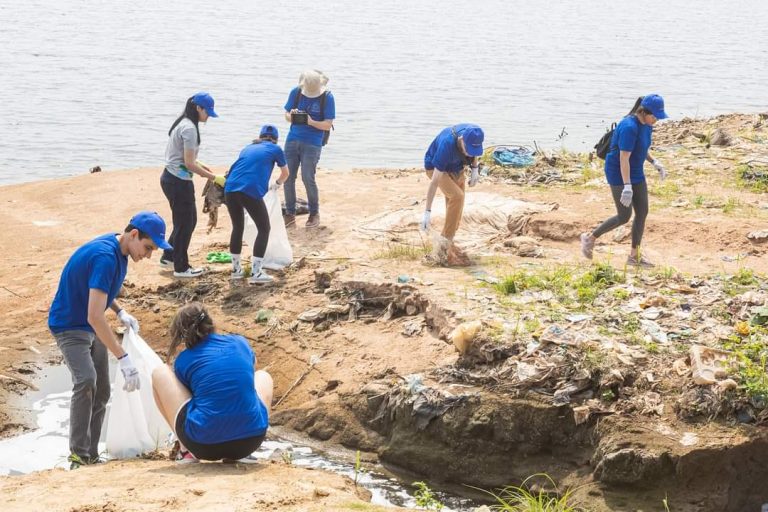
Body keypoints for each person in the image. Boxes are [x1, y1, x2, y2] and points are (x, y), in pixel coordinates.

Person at [48, 211, 172, 469]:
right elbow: (94, 317)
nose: (148, 255)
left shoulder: (119, 250)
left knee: (102, 389)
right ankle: (79, 456)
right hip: (70, 325)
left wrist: (119, 311)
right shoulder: (105, 256)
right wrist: (123, 357)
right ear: (134, 234)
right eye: (148, 248)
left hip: (88, 324)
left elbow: (99, 288)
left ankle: (91, 453)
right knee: (86, 381)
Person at [152, 302, 273, 463]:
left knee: (160, 372)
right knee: (263, 375)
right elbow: (250, 369)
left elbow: (186, 394)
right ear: (211, 323)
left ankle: (185, 451)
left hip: (203, 445)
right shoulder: (240, 342)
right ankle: (245, 449)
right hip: (250, 442)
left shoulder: (184, 359)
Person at [580, 94, 669, 268]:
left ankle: (634, 256)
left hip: (635, 170)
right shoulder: (629, 126)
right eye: (655, 116)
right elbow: (623, 158)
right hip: (618, 172)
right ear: (643, 112)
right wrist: (627, 186)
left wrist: (654, 162)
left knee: (642, 212)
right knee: (624, 216)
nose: (656, 120)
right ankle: (589, 238)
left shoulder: (647, 125)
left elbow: (641, 148)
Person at [160, 92, 226, 278]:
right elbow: (188, 164)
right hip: (177, 181)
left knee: (185, 221)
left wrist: (203, 166)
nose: (208, 117)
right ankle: (181, 268)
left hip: (172, 178)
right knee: (186, 223)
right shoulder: (189, 128)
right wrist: (213, 178)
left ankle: (169, 256)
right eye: (207, 112)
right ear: (198, 108)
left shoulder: (184, 123)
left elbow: (186, 157)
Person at [224, 124, 289, 284]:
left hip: (230, 188)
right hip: (250, 189)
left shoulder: (248, 147)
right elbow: (286, 173)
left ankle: (236, 270)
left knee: (237, 227)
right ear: (275, 139)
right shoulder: (276, 149)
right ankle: (256, 272)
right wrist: (277, 184)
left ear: (260, 137)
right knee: (264, 228)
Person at [419, 124, 484, 263]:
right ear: (461, 140)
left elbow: (474, 153)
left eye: (474, 150)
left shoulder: (474, 134)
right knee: (457, 196)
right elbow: (434, 181)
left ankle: (447, 243)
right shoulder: (447, 145)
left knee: (457, 209)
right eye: (469, 150)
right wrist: (427, 211)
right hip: (435, 168)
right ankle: (443, 248)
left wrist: (474, 169)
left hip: (456, 168)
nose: (471, 154)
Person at [282, 69, 335, 228]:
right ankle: (290, 213)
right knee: (287, 177)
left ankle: (314, 213)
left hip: (313, 142)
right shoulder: (296, 92)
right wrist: (291, 116)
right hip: (292, 139)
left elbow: (328, 124)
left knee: (307, 177)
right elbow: (285, 114)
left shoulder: (327, 97)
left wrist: (310, 121)